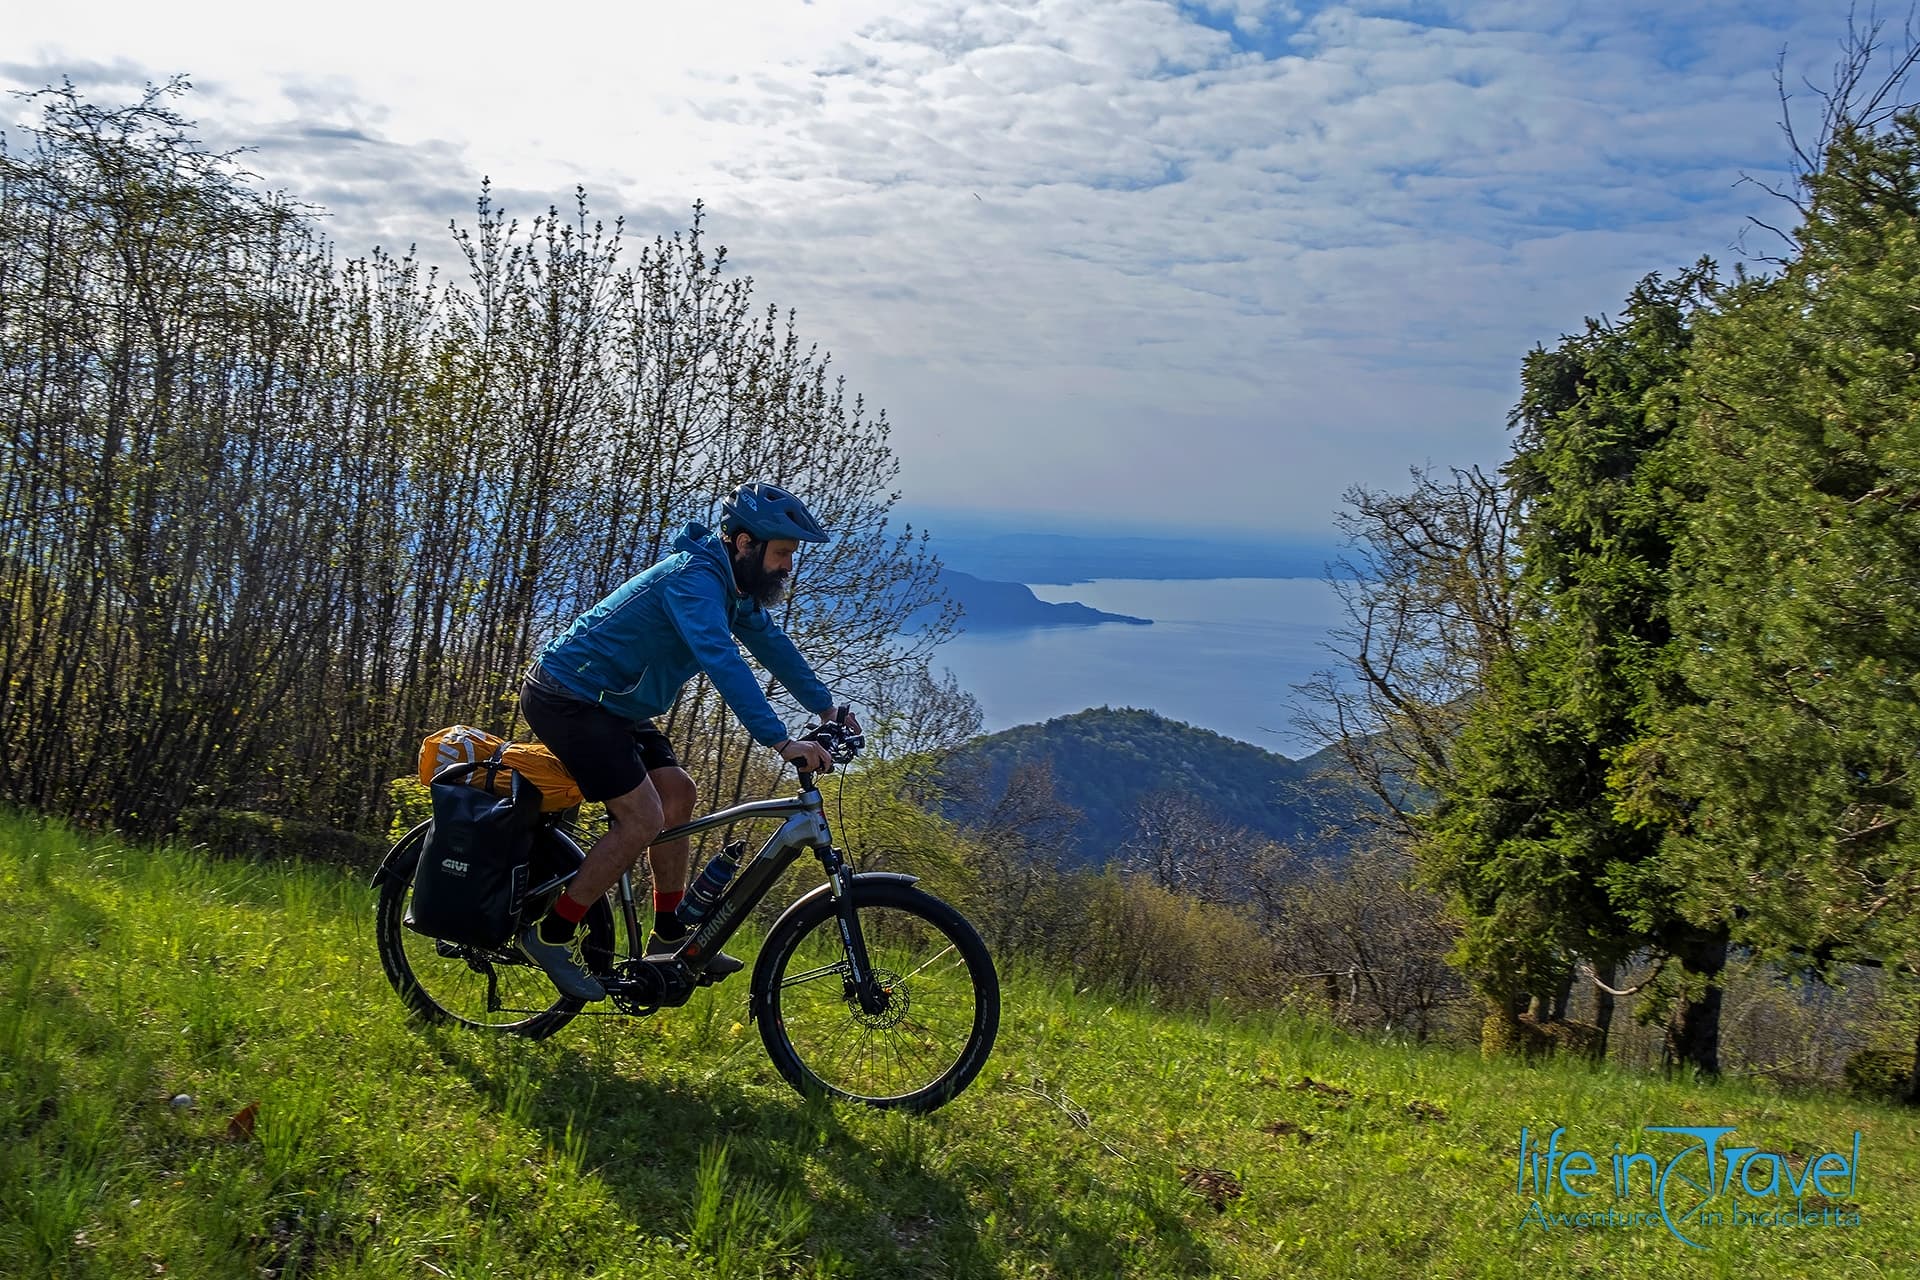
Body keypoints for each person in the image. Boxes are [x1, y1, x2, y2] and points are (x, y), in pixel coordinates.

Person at [515, 482, 861, 1001]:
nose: (789, 566)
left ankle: (668, 932)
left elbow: (772, 644)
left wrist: (827, 707)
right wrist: (780, 740)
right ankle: (551, 934)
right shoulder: (693, 581)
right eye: (783, 553)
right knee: (643, 818)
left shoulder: (730, 587)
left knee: (678, 794)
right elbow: (721, 658)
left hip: (615, 705)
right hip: (570, 696)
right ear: (745, 543)